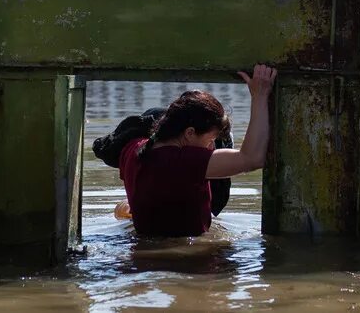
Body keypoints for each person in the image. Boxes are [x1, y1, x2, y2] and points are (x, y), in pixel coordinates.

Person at [116, 64, 277, 237]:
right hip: (190, 261)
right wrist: (260, 95)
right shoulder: (183, 161)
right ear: (190, 133)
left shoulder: (132, 148)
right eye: (211, 140)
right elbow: (253, 158)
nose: (212, 148)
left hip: (142, 257)